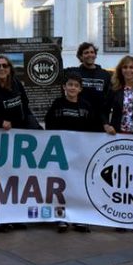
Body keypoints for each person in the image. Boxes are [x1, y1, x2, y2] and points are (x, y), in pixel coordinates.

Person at [0, 54, 40, 233]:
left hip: (18, 139)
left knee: (18, 179)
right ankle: (2, 218)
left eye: (4, 65)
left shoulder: (17, 85)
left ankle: (17, 215)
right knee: (1, 181)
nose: (1, 69)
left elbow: (25, 107)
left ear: (10, 68)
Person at [44, 71, 94, 233]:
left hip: (80, 155)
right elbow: (49, 123)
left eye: (76, 85)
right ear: (64, 87)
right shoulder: (57, 104)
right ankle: (61, 217)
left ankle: (79, 219)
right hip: (61, 153)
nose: (72, 88)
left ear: (80, 89)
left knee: (78, 185)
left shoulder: (86, 106)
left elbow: (92, 129)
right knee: (60, 186)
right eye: (70, 85)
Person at [68, 42, 111, 119]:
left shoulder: (105, 75)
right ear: (80, 56)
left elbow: (109, 99)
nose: (90, 55)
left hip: (99, 121)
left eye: (92, 52)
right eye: (86, 53)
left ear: (95, 55)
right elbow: (57, 72)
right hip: (79, 119)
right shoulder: (74, 72)